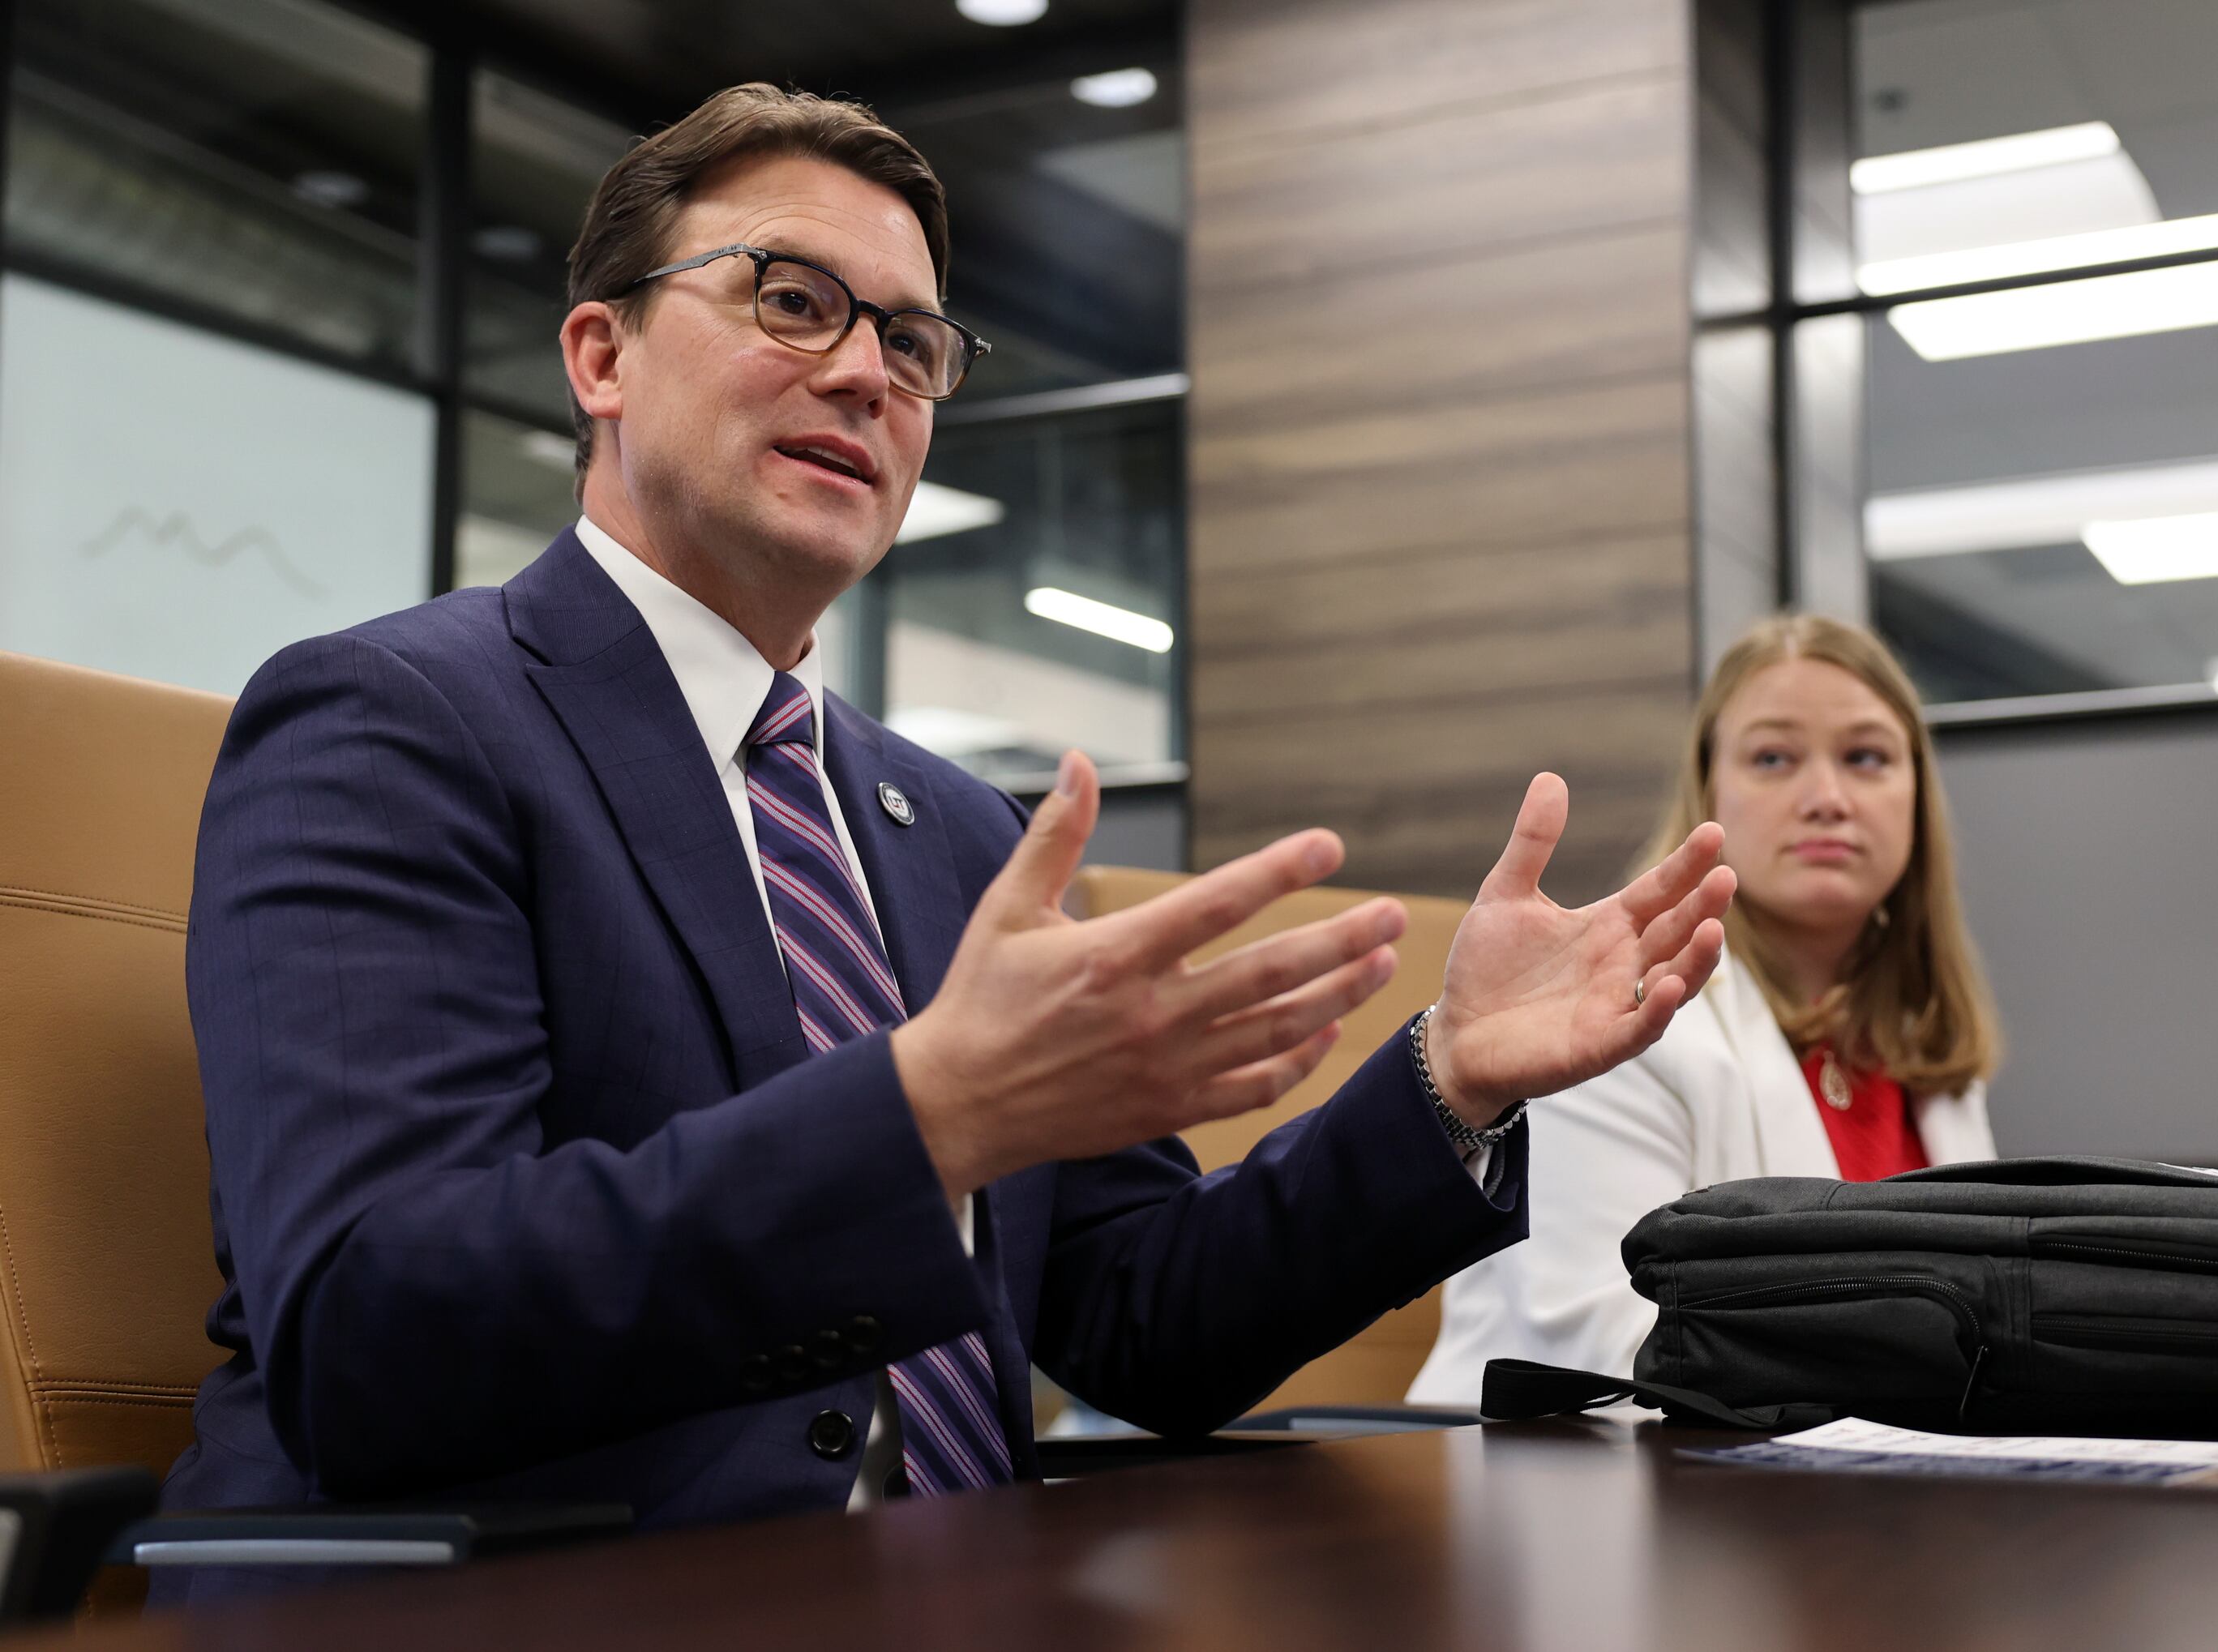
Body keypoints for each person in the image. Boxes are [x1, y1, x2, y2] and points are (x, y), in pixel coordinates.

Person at [160, 83, 1736, 1597]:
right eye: (791, 299)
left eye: (911, 343)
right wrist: (922, 1117)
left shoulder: (959, 831)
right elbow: (374, 1326)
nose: (865, 375)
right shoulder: (392, 721)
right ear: (601, 353)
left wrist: (1446, 1081)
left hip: (962, 1595)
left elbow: (1142, 1322)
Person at [1408, 614, 2000, 1406]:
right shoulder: (1622, 1019)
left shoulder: (1926, 1060)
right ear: (1708, 790)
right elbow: (1611, 1351)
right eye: (1773, 758)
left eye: (1865, 757)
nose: (1827, 798)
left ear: (1917, 798)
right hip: (1571, 1487)